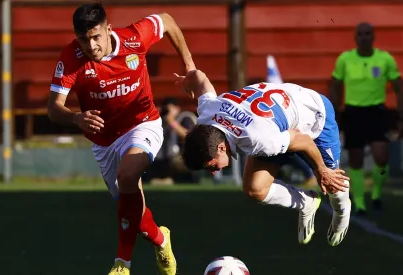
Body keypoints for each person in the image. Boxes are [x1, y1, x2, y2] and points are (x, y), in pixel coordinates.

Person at [47, 3, 195, 275]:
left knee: (127, 178)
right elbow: (54, 108)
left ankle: (121, 264)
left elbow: (168, 20)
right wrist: (76, 118)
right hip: (104, 141)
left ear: (108, 29)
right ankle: (162, 239)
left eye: (96, 36)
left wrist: (189, 65)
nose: (91, 45)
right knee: (133, 211)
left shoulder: (135, 37)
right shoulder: (71, 58)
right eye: (84, 39)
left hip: (143, 124)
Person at [176, 70, 351, 246]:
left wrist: (321, 170)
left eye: (211, 167)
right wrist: (189, 77)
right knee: (255, 189)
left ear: (221, 147)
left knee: (331, 181)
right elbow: (200, 78)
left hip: (313, 114)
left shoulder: (257, 139)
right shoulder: (207, 112)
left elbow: (303, 141)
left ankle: (342, 210)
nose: (214, 173)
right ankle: (306, 201)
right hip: (275, 123)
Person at [329, 22, 403, 216]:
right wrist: (334, 113)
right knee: (355, 161)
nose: (364, 37)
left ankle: (377, 193)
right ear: (355, 37)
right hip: (354, 113)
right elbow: (335, 86)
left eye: (368, 34)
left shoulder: (384, 59)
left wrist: (402, 117)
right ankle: (360, 203)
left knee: (381, 159)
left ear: (373, 37)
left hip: (376, 112)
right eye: (360, 34)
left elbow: (399, 89)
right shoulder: (345, 59)